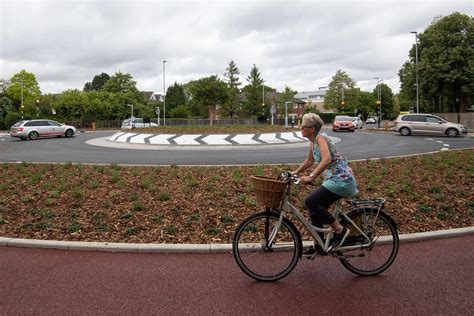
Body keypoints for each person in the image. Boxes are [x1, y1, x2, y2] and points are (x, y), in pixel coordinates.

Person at [292, 113, 358, 255]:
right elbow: (309, 161)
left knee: (311, 201)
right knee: (314, 209)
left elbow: (327, 159)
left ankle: (340, 230)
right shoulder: (312, 141)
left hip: (341, 179)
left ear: (312, 129)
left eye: (304, 126)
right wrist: (295, 173)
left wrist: (311, 176)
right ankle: (319, 245)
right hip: (332, 178)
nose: (301, 128)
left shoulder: (321, 138)